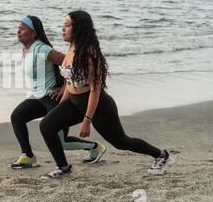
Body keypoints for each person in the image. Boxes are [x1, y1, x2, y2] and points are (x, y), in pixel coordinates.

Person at [39, 10, 174, 178]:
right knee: (47, 125)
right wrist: (59, 108)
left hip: (99, 106)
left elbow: (95, 89)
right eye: (62, 26)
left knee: (121, 142)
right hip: (73, 102)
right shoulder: (71, 47)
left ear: (79, 28)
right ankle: (64, 169)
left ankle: (162, 155)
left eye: (66, 26)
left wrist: (87, 120)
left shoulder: (89, 53)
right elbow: (68, 81)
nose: (62, 29)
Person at [10, 15, 106, 169]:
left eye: (22, 28)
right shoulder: (27, 48)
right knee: (17, 117)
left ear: (33, 33)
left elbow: (69, 63)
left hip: (53, 98)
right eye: (18, 28)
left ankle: (95, 147)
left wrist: (63, 87)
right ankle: (28, 156)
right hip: (39, 97)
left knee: (62, 142)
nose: (18, 31)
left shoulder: (41, 49)